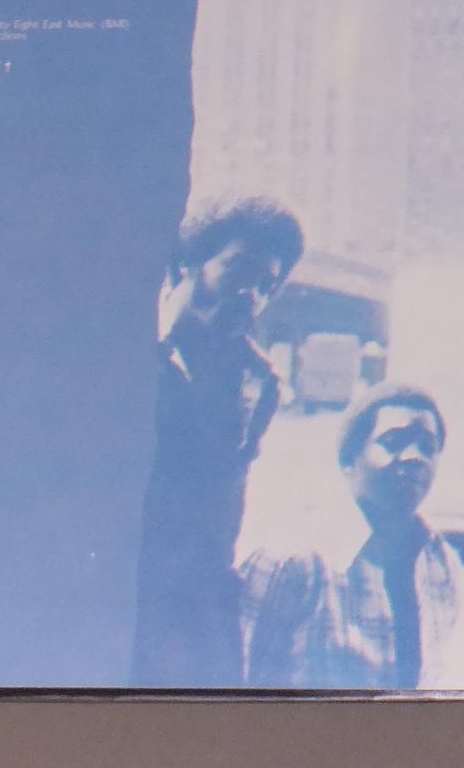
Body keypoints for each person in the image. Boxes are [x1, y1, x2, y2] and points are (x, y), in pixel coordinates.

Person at [132, 198, 304, 687]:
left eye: (267, 285)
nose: (252, 294)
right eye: (241, 269)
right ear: (189, 261)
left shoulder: (259, 382)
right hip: (117, 589)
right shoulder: (130, 348)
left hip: (202, 607)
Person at [239, 383, 462, 688]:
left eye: (428, 446)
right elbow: (238, 684)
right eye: (393, 441)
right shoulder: (292, 560)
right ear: (348, 459)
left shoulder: (440, 561)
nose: (415, 457)